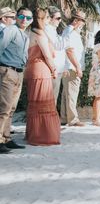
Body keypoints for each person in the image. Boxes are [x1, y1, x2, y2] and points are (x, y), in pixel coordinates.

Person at [25, 8, 61, 145]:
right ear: (42, 19)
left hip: (33, 70)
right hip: (41, 71)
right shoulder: (39, 33)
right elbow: (46, 55)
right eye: (46, 18)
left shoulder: (30, 32)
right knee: (44, 102)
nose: (48, 20)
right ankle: (43, 136)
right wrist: (54, 69)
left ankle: (34, 134)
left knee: (35, 103)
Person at [0, 6, 32, 153]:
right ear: (16, 17)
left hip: (18, 72)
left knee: (11, 108)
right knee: (4, 108)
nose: (24, 20)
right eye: (21, 17)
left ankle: (6, 138)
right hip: (7, 71)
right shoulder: (10, 30)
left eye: (28, 18)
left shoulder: (24, 35)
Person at [61, 9, 87, 127]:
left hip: (69, 67)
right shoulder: (70, 32)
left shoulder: (71, 32)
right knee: (72, 94)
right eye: (83, 21)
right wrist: (78, 67)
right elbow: (69, 51)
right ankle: (73, 119)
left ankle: (65, 118)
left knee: (67, 94)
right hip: (72, 67)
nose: (83, 24)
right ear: (76, 20)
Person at [45, 6, 66, 113]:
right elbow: (57, 46)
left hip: (58, 69)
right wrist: (68, 35)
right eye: (58, 18)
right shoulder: (47, 29)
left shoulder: (53, 30)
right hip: (52, 69)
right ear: (50, 18)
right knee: (50, 99)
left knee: (53, 98)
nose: (60, 21)